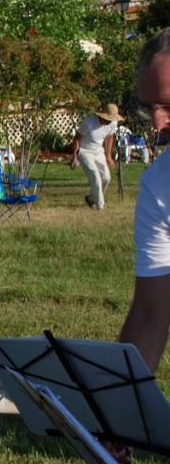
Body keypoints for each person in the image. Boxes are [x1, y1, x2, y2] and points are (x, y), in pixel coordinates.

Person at [120, 27, 170, 371]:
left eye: (168, 105)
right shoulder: (158, 185)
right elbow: (151, 313)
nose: (157, 122)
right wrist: (119, 396)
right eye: (149, 107)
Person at [70, 102, 122, 210]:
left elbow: (109, 137)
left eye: (111, 119)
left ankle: (91, 198)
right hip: (84, 151)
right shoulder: (89, 123)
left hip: (99, 151)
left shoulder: (113, 123)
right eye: (108, 119)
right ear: (103, 116)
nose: (110, 121)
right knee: (95, 176)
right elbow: (76, 139)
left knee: (106, 178)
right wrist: (75, 156)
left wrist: (108, 156)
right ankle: (100, 205)